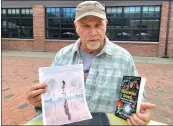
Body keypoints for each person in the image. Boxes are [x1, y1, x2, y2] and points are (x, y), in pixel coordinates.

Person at [27, 1, 156, 125]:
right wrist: (39, 102)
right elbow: (51, 101)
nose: (93, 33)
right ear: (76, 26)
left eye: (98, 25)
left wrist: (141, 114)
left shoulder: (124, 59)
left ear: (106, 24)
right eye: (86, 26)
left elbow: (137, 101)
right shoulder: (63, 56)